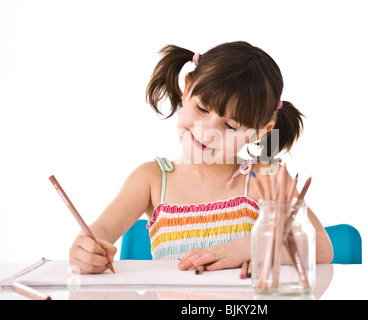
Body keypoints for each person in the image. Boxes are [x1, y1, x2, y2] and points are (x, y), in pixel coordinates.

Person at [69, 41, 333, 274]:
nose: (208, 132)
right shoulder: (150, 179)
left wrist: (255, 248)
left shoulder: (265, 176)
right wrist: (84, 250)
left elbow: (321, 248)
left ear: (259, 132)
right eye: (202, 108)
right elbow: (99, 232)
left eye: (231, 127)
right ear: (187, 89)